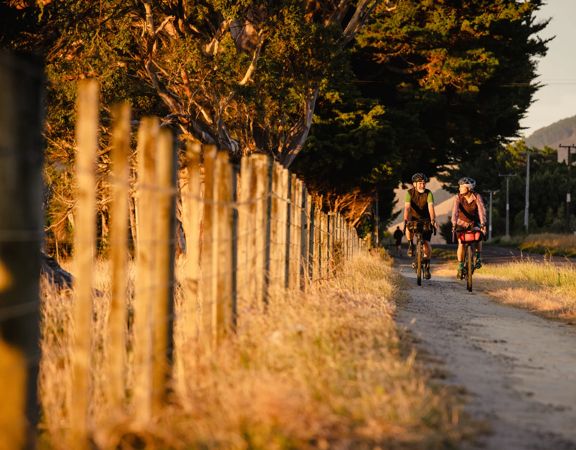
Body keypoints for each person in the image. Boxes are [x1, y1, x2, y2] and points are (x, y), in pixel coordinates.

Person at [451, 177, 487, 278]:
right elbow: (454, 211)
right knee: (461, 244)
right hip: (460, 223)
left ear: (468, 188)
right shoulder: (458, 197)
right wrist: (454, 223)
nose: (459, 188)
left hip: (474, 222)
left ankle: (478, 257)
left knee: (478, 235)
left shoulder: (476, 196)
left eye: (462, 186)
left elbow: (481, 210)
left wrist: (483, 223)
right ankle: (461, 265)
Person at [403, 172, 437, 279]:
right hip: (413, 218)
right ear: (414, 184)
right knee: (408, 226)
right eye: (420, 183)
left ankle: (427, 266)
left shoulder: (429, 193)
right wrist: (405, 219)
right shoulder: (409, 193)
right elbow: (407, 208)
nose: (423, 185)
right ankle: (410, 245)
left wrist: (433, 219)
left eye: (424, 183)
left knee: (426, 243)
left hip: (426, 220)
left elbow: (431, 208)